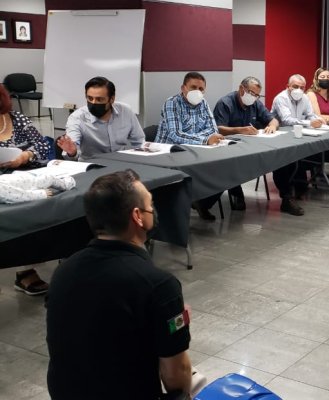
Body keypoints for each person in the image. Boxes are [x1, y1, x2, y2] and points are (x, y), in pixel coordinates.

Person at [46, 170, 192, 399]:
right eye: (150, 205)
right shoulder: (159, 285)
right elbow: (176, 376)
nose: (153, 210)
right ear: (138, 216)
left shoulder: (64, 271)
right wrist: (174, 321)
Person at [0, 84, 53, 295]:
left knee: (43, 206)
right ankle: (24, 271)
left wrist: (25, 156)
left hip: (25, 176)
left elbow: (42, 145)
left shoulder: (16, 118)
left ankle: (28, 267)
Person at [156, 72, 224, 220]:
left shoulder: (203, 103)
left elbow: (213, 130)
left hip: (195, 151)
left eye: (201, 89)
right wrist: (205, 140)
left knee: (222, 170)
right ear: (183, 88)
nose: (197, 92)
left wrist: (204, 138)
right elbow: (175, 135)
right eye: (193, 87)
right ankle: (179, 211)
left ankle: (202, 203)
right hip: (169, 154)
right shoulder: (172, 103)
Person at [211, 76, 280, 211]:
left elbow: (273, 120)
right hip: (227, 148)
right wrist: (240, 130)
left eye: (257, 95)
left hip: (250, 146)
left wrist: (272, 126)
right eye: (252, 93)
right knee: (232, 163)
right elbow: (218, 129)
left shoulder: (255, 103)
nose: (254, 97)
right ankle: (234, 192)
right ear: (241, 89)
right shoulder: (225, 103)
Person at [269, 74, 324, 216]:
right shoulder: (281, 98)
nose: (298, 90)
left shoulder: (304, 98)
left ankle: (299, 186)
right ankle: (287, 197)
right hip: (279, 139)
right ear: (288, 87)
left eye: (302, 87)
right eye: (295, 86)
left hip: (298, 137)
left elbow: (310, 115)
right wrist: (309, 123)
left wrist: (318, 120)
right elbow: (287, 120)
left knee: (314, 153)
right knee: (283, 162)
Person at [58, 76, 144, 161]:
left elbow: (139, 141)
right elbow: (72, 147)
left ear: (111, 99)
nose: (93, 103)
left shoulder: (125, 111)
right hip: (92, 165)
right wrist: (72, 152)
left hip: (121, 164)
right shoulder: (77, 118)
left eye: (99, 99)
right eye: (90, 98)